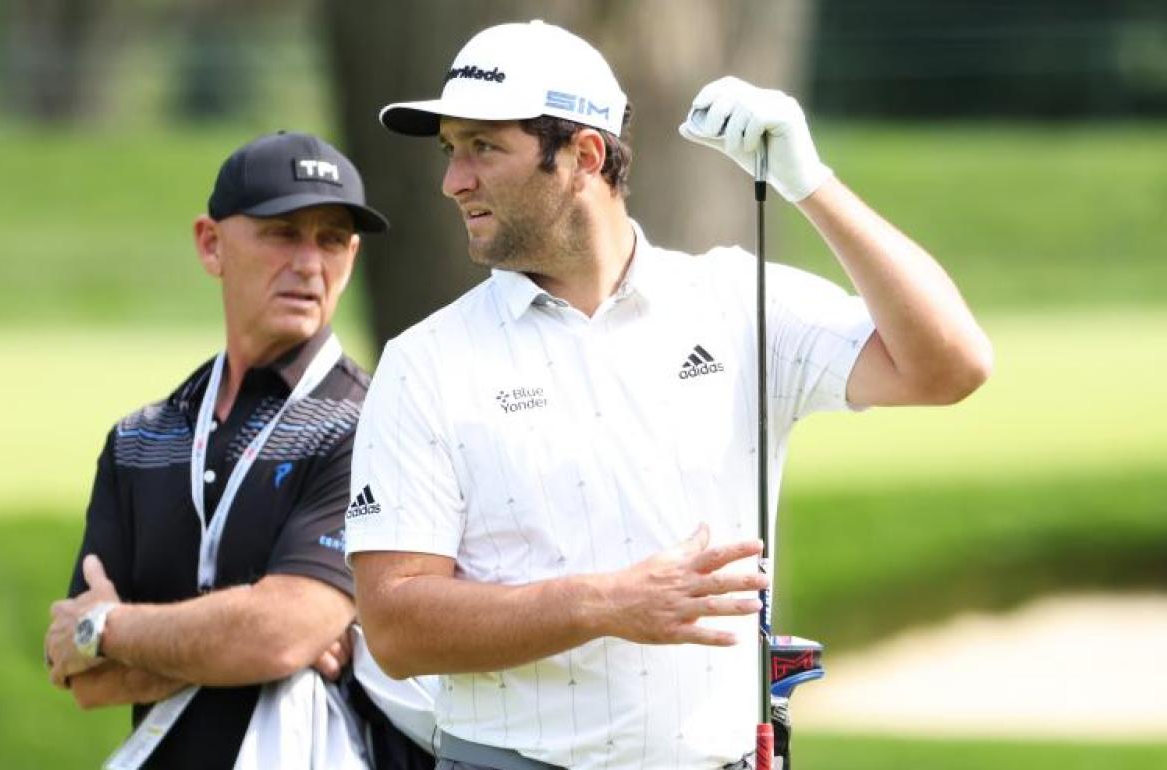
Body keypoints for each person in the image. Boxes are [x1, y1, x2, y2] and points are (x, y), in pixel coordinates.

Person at [346, 19, 993, 770]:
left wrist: (809, 184)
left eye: (484, 147)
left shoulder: (728, 300)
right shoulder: (425, 362)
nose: (454, 180)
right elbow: (395, 627)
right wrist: (605, 604)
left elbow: (950, 364)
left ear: (584, 156)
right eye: (451, 150)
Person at [43, 131, 428, 769]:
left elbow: (279, 634)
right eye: (282, 232)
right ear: (210, 244)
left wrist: (110, 628)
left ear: (352, 256)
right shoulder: (140, 440)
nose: (310, 263)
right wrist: (250, 635)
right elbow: (85, 679)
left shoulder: (372, 426)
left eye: (332, 239)